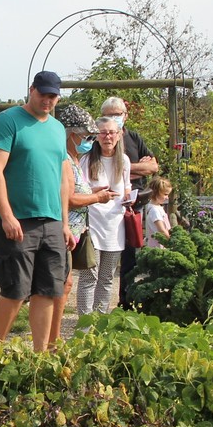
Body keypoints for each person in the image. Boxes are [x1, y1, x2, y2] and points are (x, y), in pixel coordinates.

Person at [0, 71, 75, 353]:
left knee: (48, 290)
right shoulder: (8, 121)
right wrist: (7, 215)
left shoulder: (57, 129)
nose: (48, 100)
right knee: (15, 291)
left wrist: (64, 222)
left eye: (53, 96)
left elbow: (62, 179)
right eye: (43, 94)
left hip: (52, 221)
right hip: (16, 221)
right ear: (31, 89)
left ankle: (40, 357)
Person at [48, 104, 116, 348]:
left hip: (75, 232)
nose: (89, 141)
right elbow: (68, 199)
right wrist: (96, 198)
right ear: (71, 134)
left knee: (66, 284)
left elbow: (76, 190)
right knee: (62, 285)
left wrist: (93, 191)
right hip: (64, 230)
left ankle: (53, 338)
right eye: (85, 136)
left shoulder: (75, 159)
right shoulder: (65, 160)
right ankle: (52, 340)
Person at [101, 96, 159, 309]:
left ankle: (126, 300)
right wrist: (134, 168)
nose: (114, 118)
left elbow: (153, 167)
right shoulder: (102, 139)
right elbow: (103, 169)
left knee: (130, 253)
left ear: (125, 116)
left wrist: (123, 167)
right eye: (109, 114)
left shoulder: (134, 138)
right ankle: (98, 305)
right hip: (107, 205)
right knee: (105, 254)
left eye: (118, 114)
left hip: (133, 206)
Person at [78, 116, 133, 315]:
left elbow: (126, 187)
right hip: (92, 224)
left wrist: (129, 198)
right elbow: (79, 192)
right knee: (89, 276)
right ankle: (85, 324)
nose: (107, 137)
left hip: (115, 227)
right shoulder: (87, 160)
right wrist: (96, 194)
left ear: (118, 135)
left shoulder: (124, 161)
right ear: (96, 136)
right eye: (103, 132)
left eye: (111, 132)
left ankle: (101, 322)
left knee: (107, 277)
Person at [144, 176, 173, 247]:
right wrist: (171, 241)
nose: (167, 197)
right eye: (165, 194)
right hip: (158, 245)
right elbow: (161, 230)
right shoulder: (154, 210)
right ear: (155, 193)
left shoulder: (158, 207)